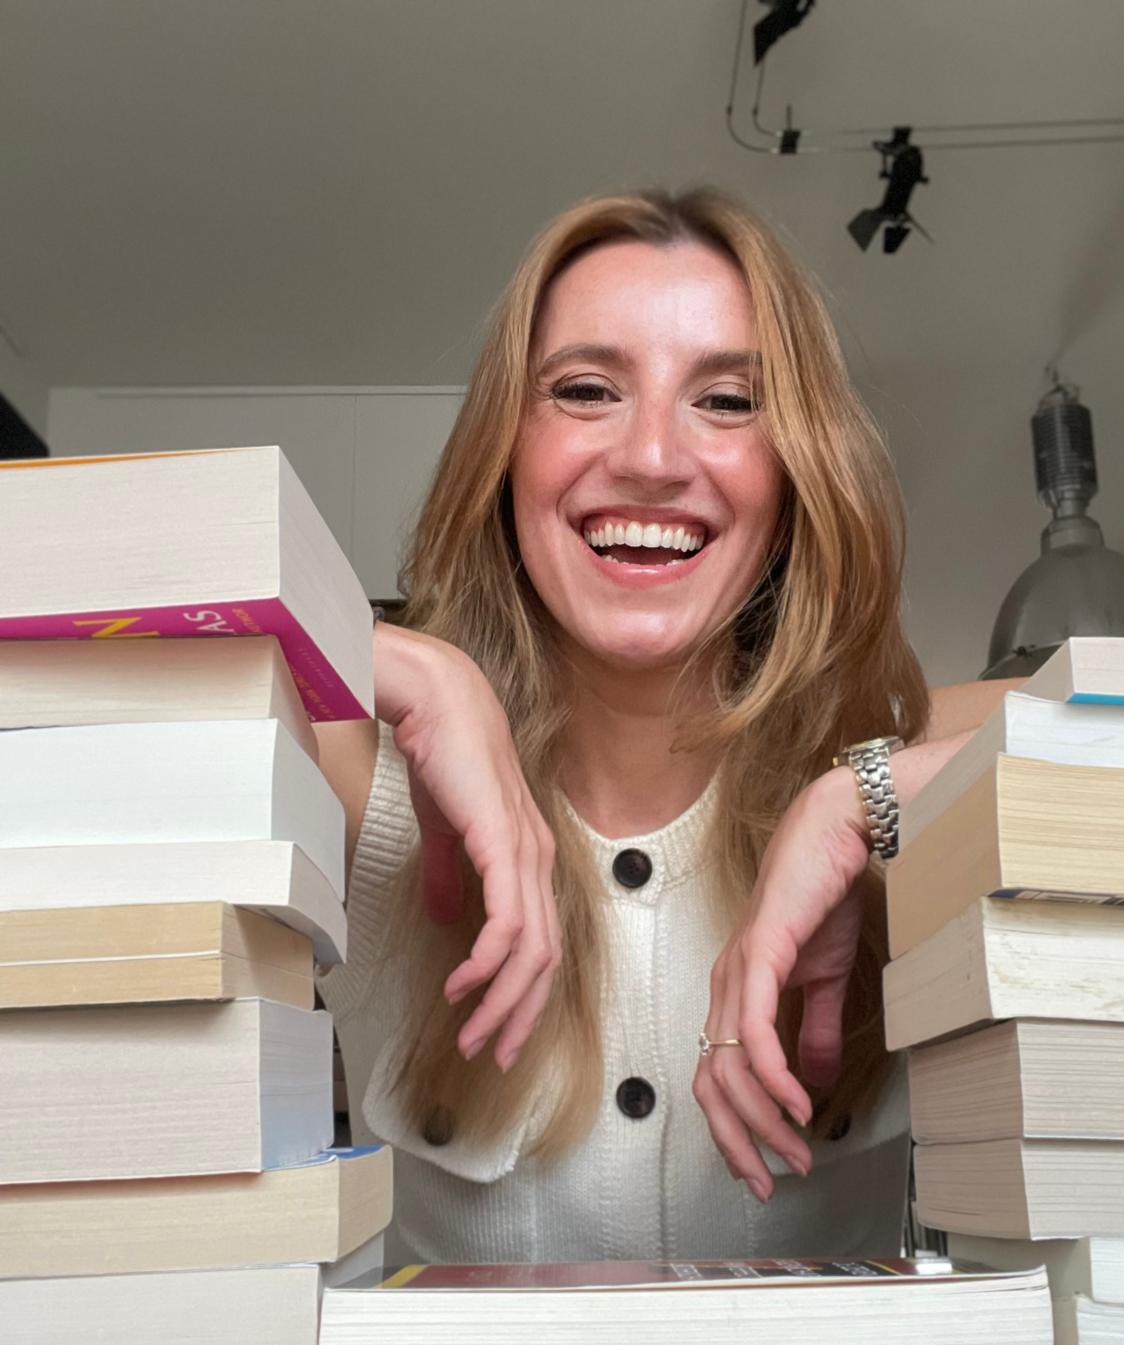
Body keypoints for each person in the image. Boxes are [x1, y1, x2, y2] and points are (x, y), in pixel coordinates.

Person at [315, 187, 1017, 1265]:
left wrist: (854, 806)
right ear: (506, 453)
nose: (651, 456)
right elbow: (64, 639)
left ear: (794, 474)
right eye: (586, 390)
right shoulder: (371, 789)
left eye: (728, 401)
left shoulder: (911, 771)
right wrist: (396, 660)